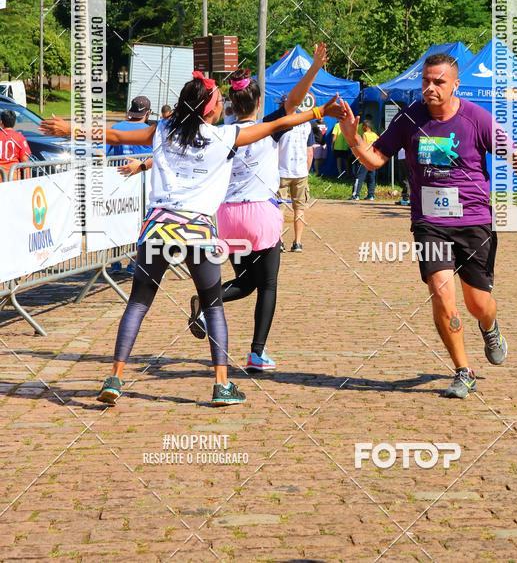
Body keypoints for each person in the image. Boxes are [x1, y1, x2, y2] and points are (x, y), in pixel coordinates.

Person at [42, 71, 343, 406]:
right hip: (197, 231)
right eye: (216, 101)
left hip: (157, 227)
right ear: (209, 110)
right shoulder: (224, 136)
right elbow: (275, 126)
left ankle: (115, 377)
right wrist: (320, 113)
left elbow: (112, 134)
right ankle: (221, 385)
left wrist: (69, 128)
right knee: (213, 306)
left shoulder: (163, 129)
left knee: (138, 304)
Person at [338, 52, 517, 400]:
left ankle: (489, 326)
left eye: (438, 81)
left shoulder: (476, 119)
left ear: (455, 84)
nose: (430, 87)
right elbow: (375, 159)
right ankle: (463, 370)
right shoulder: (410, 119)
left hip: (473, 221)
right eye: (426, 81)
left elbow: (514, 154)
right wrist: (352, 136)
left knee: (478, 303)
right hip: (429, 223)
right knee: (441, 290)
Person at [187, 44, 329, 370]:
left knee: (246, 282)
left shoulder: (219, 133)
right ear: (259, 102)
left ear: (232, 105)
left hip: (228, 216)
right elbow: (293, 102)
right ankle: (256, 353)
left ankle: (208, 303)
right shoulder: (269, 128)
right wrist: (315, 67)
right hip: (260, 214)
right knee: (267, 286)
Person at [107, 96, 154, 275]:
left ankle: (115, 261)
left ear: (130, 111)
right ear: (147, 113)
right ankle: (135, 261)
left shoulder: (116, 128)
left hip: (118, 181)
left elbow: (102, 152)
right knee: (140, 222)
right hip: (143, 184)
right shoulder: (149, 131)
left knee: (117, 219)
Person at [277, 103, 315, 253]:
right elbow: (310, 152)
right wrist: (305, 170)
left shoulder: (279, 124)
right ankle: (297, 242)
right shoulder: (306, 124)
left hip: (280, 172)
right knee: (299, 209)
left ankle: (278, 241)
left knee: (278, 209)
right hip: (300, 173)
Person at [351, 117, 379, 200]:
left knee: (359, 177)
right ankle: (371, 195)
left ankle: (355, 195)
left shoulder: (364, 135)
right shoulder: (375, 135)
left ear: (366, 127)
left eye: (363, 126)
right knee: (371, 177)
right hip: (373, 158)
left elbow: (362, 146)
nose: (362, 127)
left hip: (365, 158)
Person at [0, 109, 31, 178]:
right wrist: (28, 180)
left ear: (1, 122)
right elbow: (25, 160)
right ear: (14, 122)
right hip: (13, 178)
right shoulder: (20, 137)